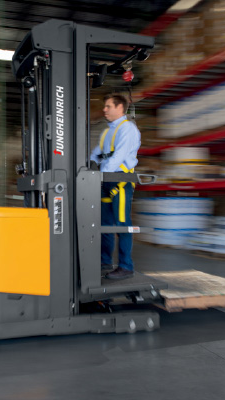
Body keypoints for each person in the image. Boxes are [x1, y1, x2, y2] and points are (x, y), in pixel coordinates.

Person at [90, 93, 141, 280]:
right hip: (105, 180)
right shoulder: (106, 132)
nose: (104, 109)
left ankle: (126, 266)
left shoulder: (127, 129)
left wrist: (102, 174)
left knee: (121, 224)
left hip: (119, 180)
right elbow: (97, 153)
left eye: (108, 106)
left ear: (120, 108)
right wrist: (89, 167)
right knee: (105, 223)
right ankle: (105, 262)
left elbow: (119, 156)